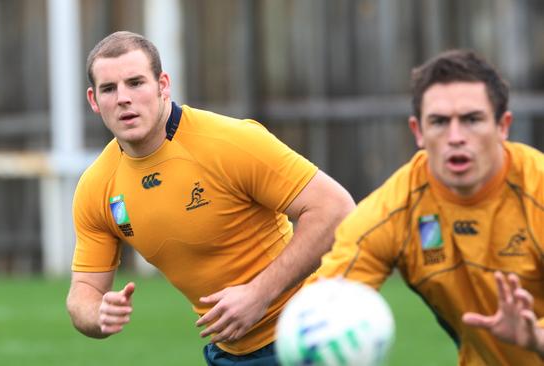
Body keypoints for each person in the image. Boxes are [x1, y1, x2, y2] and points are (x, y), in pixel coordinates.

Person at [65, 30, 355, 365]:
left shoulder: (229, 142)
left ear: (162, 85)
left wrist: (260, 293)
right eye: (109, 89)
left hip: (309, 333)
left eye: (135, 83)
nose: (123, 98)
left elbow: (336, 208)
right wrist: (97, 313)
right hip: (228, 352)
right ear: (93, 100)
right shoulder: (96, 186)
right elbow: (84, 290)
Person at [315, 49, 544, 364]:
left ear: (503, 126)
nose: (455, 137)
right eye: (439, 122)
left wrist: (536, 339)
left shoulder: (537, 191)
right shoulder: (396, 209)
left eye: (472, 119)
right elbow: (324, 310)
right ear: (418, 131)